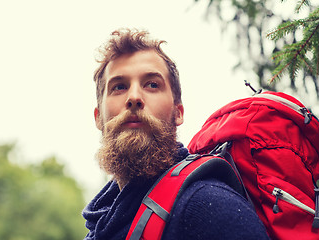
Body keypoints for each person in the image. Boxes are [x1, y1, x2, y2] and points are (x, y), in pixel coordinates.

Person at [82, 28, 270, 240]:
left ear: (178, 112)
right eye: (119, 87)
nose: (134, 97)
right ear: (98, 117)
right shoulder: (100, 222)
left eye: (152, 84)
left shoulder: (208, 207)